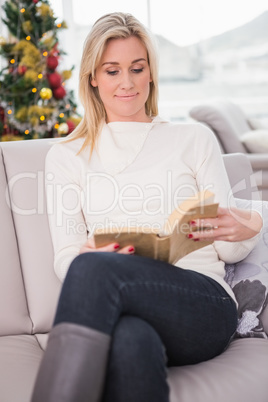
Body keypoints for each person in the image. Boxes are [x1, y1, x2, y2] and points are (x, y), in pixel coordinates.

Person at [31, 12, 263, 402]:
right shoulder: (66, 156)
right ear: (92, 77)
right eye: (112, 71)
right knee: (129, 341)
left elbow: (229, 248)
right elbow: (67, 256)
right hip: (127, 304)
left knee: (94, 273)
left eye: (137, 69)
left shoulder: (193, 139)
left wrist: (245, 229)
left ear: (151, 73)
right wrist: (92, 257)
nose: (127, 83)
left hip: (203, 304)